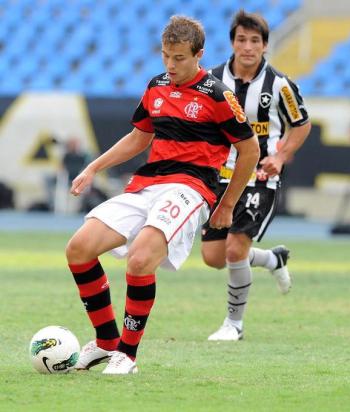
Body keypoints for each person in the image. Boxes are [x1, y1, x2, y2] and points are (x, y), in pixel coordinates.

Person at [64, 15, 259, 374]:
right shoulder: (156, 85)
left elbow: (250, 150)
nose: (170, 65)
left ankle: (128, 354)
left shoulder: (218, 95)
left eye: (179, 58)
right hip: (146, 185)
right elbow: (139, 137)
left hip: (190, 188)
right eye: (166, 56)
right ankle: (106, 342)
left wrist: (227, 203)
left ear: (198, 55)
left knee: (140, 260)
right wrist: (93, 167)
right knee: (78, 249)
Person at [201, 10, 311, 341]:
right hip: (221, 175)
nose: (247, 47)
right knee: (214, 258)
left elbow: (302, 123)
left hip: (260, 177)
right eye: (241, 40)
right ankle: (271, 258)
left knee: (235, 249)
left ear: (265, 45)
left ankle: (233, 324)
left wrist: (281, 156)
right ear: (232, 43)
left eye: (255, 41)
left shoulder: (279, 84)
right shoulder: (213, 79)